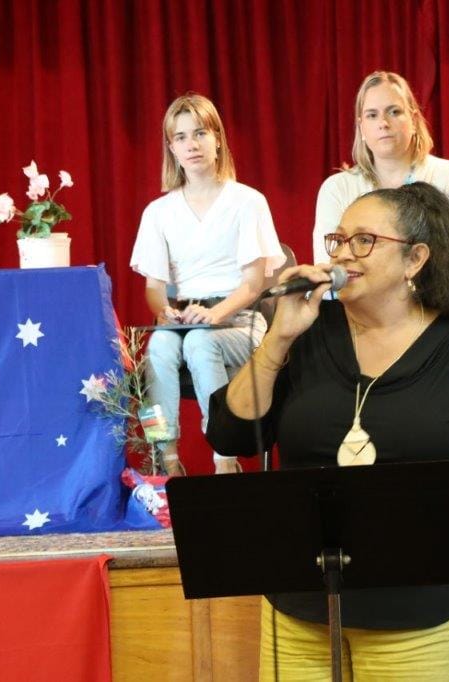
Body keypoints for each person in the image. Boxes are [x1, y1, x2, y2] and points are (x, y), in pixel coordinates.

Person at [207, 183, 449, 680]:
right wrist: (279, 338)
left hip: (422, 609)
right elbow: (231, 435)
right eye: (338, 241)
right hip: (301, 606)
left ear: (415, 259)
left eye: (364, 241)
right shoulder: (307, 333)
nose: (344, 254)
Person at [130, 93, 285, 476]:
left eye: (200, 133)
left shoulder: (247, 202)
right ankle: (165, 459)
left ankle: (224, 459)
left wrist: (214, 315)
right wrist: (164, 312)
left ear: (217, 139)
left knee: (201, 342)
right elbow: (154, 286)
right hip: (185, 317)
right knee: (159, 347)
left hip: (239, 320)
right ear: (172, 148)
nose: (192, 144)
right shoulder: (158, 212)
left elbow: (253, 285)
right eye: (181, 137)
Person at [312, 71, 449, 265]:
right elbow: (328, 271)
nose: (383, 123)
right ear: (361, 127)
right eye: (372, 115)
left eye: (394, 112)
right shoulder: (336, 189)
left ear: (414, 120)